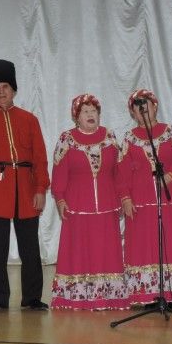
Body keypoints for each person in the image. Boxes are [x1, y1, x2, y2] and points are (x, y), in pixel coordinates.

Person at [0, 59, 50, 311]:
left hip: (26, 189)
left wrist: (40, 189)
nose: (2, 91)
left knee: (30, 248)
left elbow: (40, 158)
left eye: (5, 86)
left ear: (13, 89)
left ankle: (32, 297)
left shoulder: (29, 120)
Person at [119, 88, 172, 308]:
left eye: (146, 103)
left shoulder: (170, 132)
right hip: (141, 204)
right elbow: (121, 172)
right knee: (145, 246)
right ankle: (150, 294)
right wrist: (125, 198)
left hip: (170, 199)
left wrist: (170, 176)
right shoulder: (128, 138)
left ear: (155, 106)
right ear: (133, 113)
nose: (142, 108)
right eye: (137, 106)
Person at [50, 94, 132, 310]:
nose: (90, 115)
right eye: (85, 111)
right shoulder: (67, 139)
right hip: (77, 206)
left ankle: (110, 297)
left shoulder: (110, 137)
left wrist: (124, 197)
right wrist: (60, 198)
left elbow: (119, 172)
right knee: (79, 251)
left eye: (93, 111)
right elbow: (59, 172)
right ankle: (78, 296)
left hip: (107, 204)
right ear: (76, 117)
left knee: (106, 251)